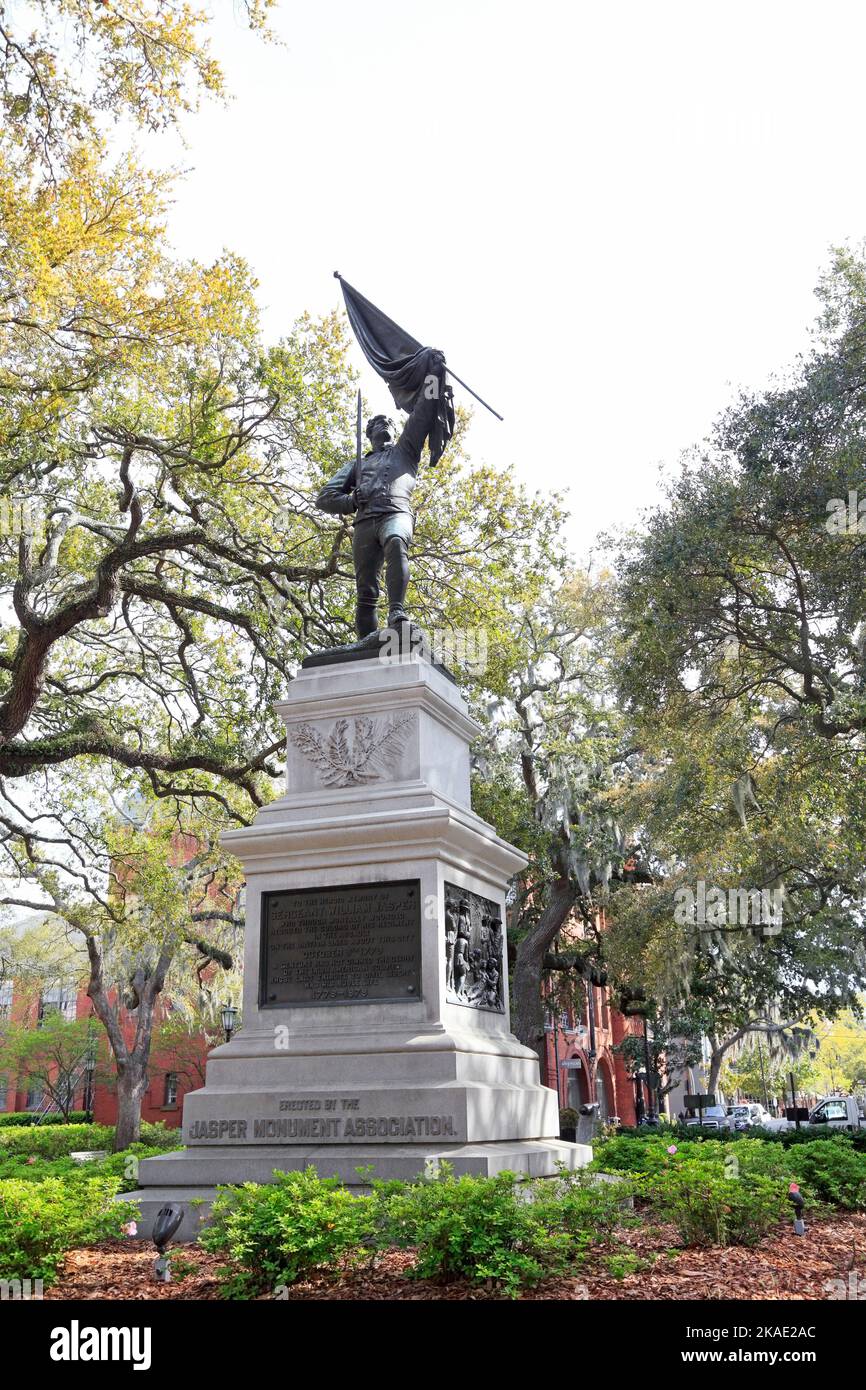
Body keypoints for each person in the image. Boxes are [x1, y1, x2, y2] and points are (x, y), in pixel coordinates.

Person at [315, 348, 446, 637]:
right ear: (370, 434)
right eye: (377, 424)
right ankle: (364, 645)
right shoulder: (357, 464)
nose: (384, 425)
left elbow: (424, 410)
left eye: (388, 422)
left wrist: (435, 374)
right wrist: (349, 501)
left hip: (396, 513)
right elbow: (323, 498)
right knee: (365, 590)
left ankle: (397, 611)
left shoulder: (406, 450)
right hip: (364, 521)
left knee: (397, 541)